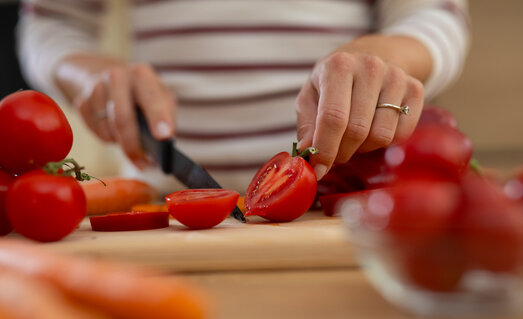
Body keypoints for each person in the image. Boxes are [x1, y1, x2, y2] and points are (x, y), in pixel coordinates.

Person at [16, 0, 470, 194]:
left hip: (342, 203)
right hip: (168, 206)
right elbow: (51, 22)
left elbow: (436, 16)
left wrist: (378, 58)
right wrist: (91, 75)